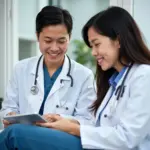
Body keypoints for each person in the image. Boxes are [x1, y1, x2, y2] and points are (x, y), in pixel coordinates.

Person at [1, 6, 150, 150]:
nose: (93, 53)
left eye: (96, 44)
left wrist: (73, 127)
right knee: (14, 134)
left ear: (118, 40)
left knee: (14, 134)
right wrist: (64, 121)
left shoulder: (143, 76)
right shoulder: (114, 81)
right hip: (93, 143)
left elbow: (126, 137)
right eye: (48, 40)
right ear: (37, 37)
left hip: (90, 143)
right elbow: (101, 125)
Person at [0, 5, 96, 128]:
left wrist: (61, 119)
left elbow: (88, 120)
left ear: (69, 38)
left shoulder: (84, 76)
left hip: (59, 141)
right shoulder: (20, 69)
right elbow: (7, 108)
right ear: (37, 37)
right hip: (23, 138)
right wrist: (10, 115)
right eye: (48, 41)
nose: (54, 48)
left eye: (61, 41)